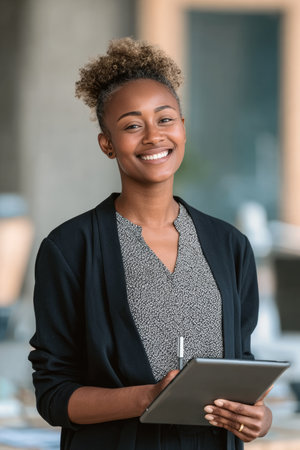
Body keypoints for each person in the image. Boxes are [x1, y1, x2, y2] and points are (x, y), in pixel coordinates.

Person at [29, 37, 272, 450]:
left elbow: (240, 369)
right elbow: (54, 396)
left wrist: (258, 418)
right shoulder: (70, 249)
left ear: (182, 128)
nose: (153, 136)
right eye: (131, 125)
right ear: (107, 143)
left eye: (165, 119)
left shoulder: (230, 245)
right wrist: (148, 397)